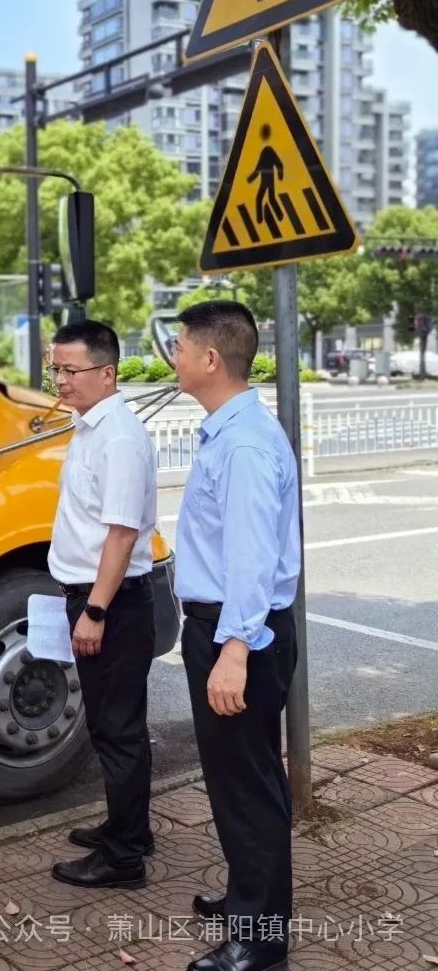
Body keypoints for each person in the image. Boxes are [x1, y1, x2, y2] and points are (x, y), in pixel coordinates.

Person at [172, 300, 299, 971]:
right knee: (248, 780)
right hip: (235, 631)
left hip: (237, 635)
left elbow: (249, 558)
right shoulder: (232, 429)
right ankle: (252, 898)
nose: (174, 357)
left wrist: (233, 650)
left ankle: (259, 942)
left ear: (211, 359)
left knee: (245, 787)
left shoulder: (245, 444)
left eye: (180, 347)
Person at [44, 320, 158, 892]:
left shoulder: (117, 437)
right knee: (115, 725)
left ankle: (124, 858)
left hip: (111, 602)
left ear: (107, 372)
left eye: (71, 370)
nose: (60, 380)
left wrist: (95, 610)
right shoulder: (91, 426)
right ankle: (128, 829)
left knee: (117, 730)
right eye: (55, 368)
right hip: (97, 596)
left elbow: (121, 534)